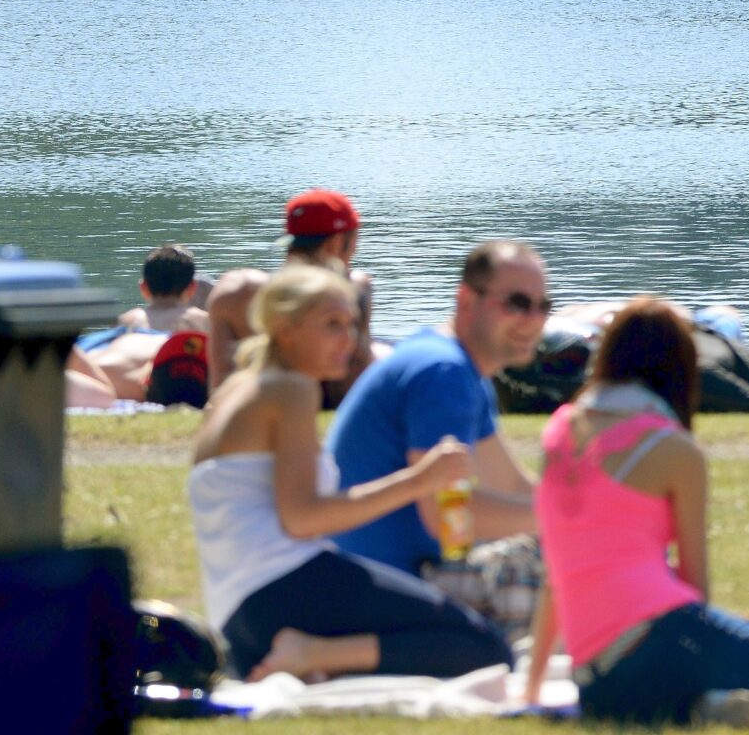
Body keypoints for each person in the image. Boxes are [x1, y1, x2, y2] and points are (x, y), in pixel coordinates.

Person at [520, 298, 749, 731]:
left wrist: (532, 687)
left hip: (599, 683)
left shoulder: (560, 433)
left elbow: (556, 576)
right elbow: (696, 585)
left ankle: (715, 708)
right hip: (662, 635)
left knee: (726, 658)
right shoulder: (674, 449)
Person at [186, 264, 510, 681]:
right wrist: (421, 480)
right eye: (332, 325)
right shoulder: (290, 389)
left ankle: (315, 656)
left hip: (238, 613)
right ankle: (310, 654)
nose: (350, 340)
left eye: (353, 325)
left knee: (445, 638)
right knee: (485, 648)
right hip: (281, 587)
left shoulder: (238, 389)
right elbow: (304, 518)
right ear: (285, 328)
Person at [324, 240, 548, 575]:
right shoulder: (445, 373)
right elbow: (449, 519)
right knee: (572, 578)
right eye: (517, 303)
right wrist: (564, 519)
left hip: (383, 570)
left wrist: (587, 508)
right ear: (466, 300)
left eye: (543, 306)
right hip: (384, 581)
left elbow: (511, 484)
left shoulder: (460, 368)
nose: (533, 319)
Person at [206, 190, 379, 399]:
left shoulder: (234, 292)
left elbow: (220, 387)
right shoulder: (355, 290)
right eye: (354, 243)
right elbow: (358, 386)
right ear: (335, 243)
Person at [79, 243, 213, 401]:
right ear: (192, 288)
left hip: (126, 385)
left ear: (144, 288)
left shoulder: (128, 320)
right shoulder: (203, 320)